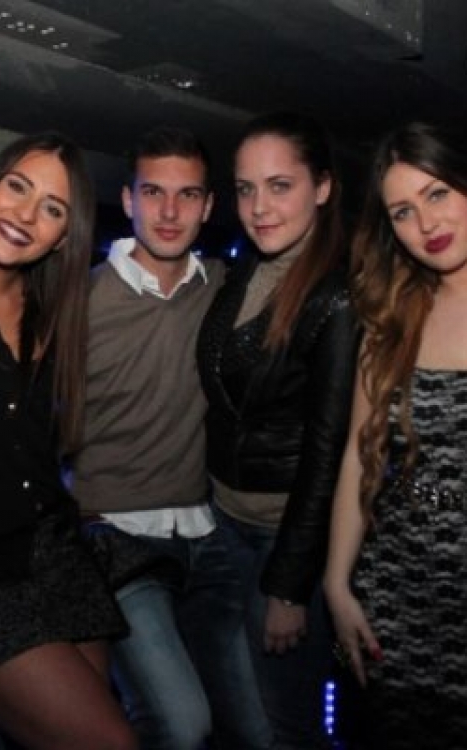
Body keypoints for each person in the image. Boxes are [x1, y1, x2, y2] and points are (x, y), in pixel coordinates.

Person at [71, 125, 273, 750]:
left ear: (209, 206)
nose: (168, 211)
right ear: (127, 199)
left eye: (187, 195)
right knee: (183, 725)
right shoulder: (78, 301)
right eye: (153, 192)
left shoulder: (223, 290)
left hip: (209, 538)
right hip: (118, 540)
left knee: (260, 728)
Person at [0, 132, 139, 750]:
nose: (25, 214)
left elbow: (32, 447)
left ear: (65, 236)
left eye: (52, 207)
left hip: (58, 554)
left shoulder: (49, 316)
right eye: (17, 186)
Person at [197, 111, 360, 749]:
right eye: (245, 188)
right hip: (224, 523)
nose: (259, 207)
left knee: (289, 726)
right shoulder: (246, 272)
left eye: (279, 185)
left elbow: (329, 451)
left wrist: (290, 587)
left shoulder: (337, 296)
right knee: (240, 716)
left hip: (282, 541)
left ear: (323, 187)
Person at [324, 121, 467, 750]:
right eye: (402, 212)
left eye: (437, 194)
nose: (425, 223)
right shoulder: (392, 318)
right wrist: (336, 583)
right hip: (398, 598)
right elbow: (359, 459)